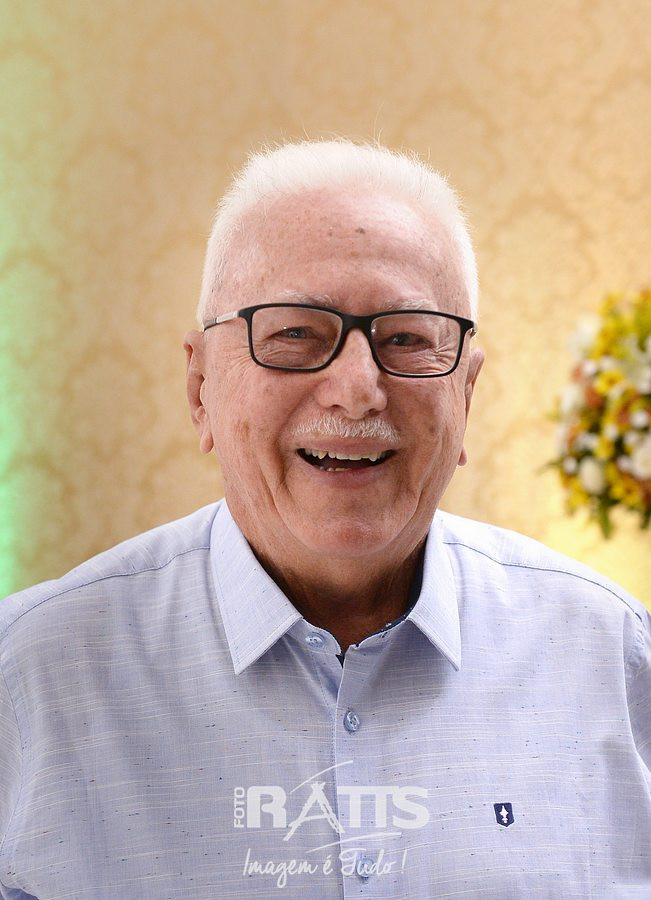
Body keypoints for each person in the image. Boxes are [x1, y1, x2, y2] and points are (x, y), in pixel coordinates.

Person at [0, 140, 649, 899]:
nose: (356, 389)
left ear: (466, 395)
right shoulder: (33, 675)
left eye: (406, 338)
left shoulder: (611, 657)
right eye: (295, 334)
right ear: (200, 387)